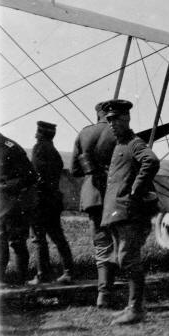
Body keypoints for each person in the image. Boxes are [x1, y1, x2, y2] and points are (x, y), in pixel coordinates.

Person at [101, 99, 159, 324]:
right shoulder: (120, 145)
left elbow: (151, 161)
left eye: (116, 119)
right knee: (123, 259)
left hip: (129, 213)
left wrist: (136, 189)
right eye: (109, 120)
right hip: (119, 213)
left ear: (127, 119)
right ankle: (133, 306)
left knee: (128, 258)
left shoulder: (134, 143)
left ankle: (136, 309)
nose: (112, 124)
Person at [70, 101, 118, 307]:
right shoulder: (119, 132)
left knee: (101, 242)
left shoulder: (84, 133)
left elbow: (75, 170)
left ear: (98, 114)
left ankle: (103, 294)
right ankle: (113, 288)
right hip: (116, 194)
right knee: (120, 241)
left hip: (93, 195)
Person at [26, 121, 75, 286]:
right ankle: (68, 272)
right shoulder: (54, 152)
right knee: (58, 237)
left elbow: (36, 174)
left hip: (41, 200)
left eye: (37, 132)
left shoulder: (38, 148)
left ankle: (43, 274)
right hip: (53, 200)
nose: (35, 134)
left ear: (40, 134)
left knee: (38, 238)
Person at [0, 132, 36, 285]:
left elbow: (31, 176)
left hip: (12, 204)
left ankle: (20, 283)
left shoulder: (10, 148)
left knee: (16, 243)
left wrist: (7, 186)